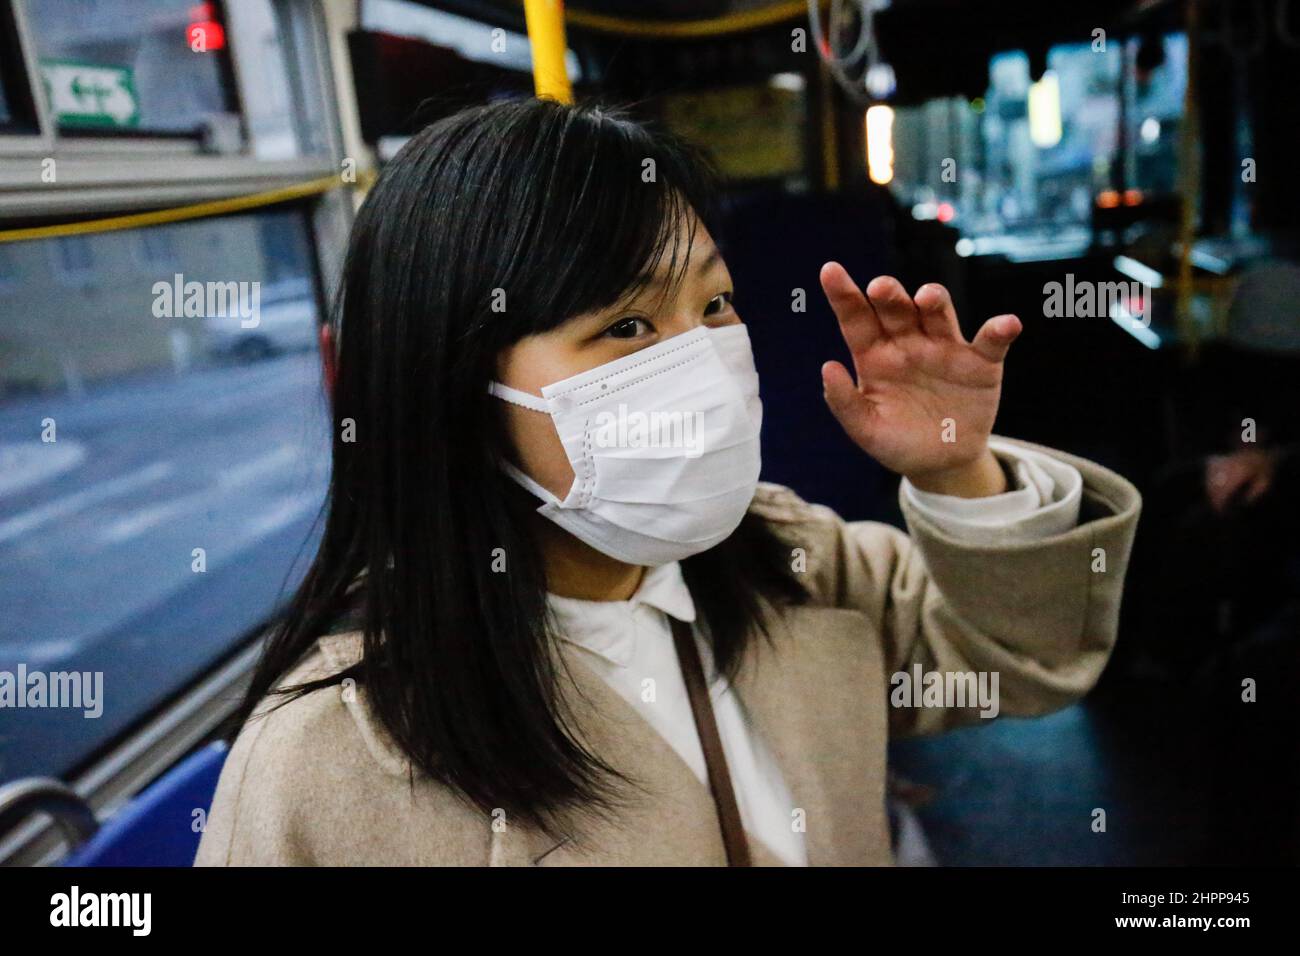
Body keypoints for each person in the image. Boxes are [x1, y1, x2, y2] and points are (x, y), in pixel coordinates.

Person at [195, 98, 1140, 866]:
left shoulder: (793, 566)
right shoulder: (329, 756)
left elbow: (1020, 661)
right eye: (629, 328)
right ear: (454, 382)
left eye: (715, 303)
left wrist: (956, 470)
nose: (706, 366)